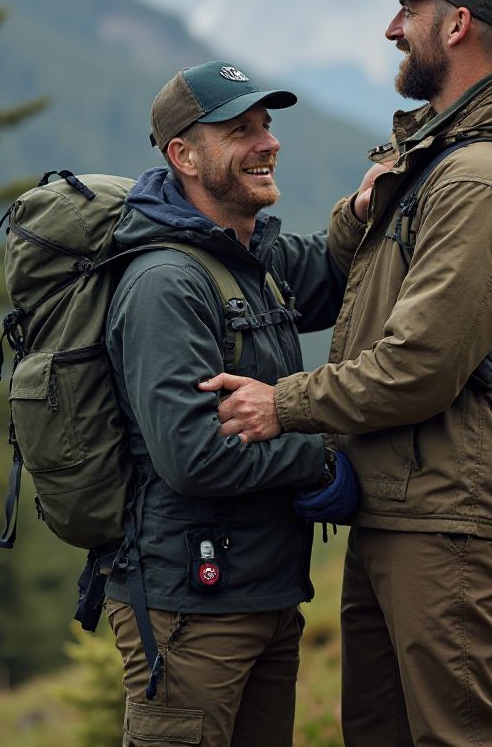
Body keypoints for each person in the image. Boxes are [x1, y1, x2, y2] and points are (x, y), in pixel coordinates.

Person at [202, 0, 492, 747]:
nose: (391, 29)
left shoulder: (480, 181)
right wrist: (361, 211)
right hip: (407, 502)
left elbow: (421, 365)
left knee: (461, 736)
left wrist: (283, 405)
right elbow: (370, 286)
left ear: (457, 25)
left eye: (407, 10)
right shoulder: (441, 159)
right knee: (382, 732)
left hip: (451, 511)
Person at [103, 60, 370, 747]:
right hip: (192, 610)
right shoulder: (166, 283)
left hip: (265, 594)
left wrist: (367, 208)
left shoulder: (251, 260)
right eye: (239, 130)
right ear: (184, 156)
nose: (267, 142)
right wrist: (322, 453)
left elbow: (335, 271)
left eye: (266, 125)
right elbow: (194, 457)